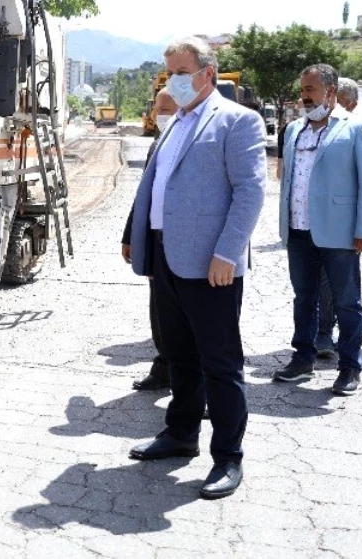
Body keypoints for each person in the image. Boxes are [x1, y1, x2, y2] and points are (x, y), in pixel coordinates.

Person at [123, 37, 266, 500]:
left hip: (211, 264)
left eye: (181, 72)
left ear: (209, 72)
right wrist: (138, 235)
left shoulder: (237, 121)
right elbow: (156, 185)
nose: (174, 82)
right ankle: (180, 433)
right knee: (180, 356)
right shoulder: (175, 123)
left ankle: (228, 457)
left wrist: (228, 253)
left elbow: (249, 192)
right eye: (169, 74)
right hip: (168, 256)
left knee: (220, 364)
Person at [274, 66, 362, 395]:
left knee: (347, 302)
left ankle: (349, 367)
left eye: (311, 89)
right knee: (304, 298)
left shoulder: (356, 127)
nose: (304, 95)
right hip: (299, 230)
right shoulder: (293, 129)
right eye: (302, 88)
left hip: (340, 232)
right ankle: (302, 358)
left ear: (331, 91)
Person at [121, 89, 180, 392]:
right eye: (157, 110)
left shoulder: (191, 142)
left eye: (165, 109)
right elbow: (144, 195)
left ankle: (199, 385)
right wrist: (130, 235)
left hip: (186, 242)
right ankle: (164, 368)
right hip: (156, 239)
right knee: (159, 308)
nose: (159, 116)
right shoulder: (156, 144)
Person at [313, 77, 360, 359]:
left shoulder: (359, 129)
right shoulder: (304, 129)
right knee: (319, 283)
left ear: (352, 104)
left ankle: (349, 355)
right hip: (310, 223)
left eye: (337, 100)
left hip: (345, 224)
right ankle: (321, 334)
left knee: (343, 289)